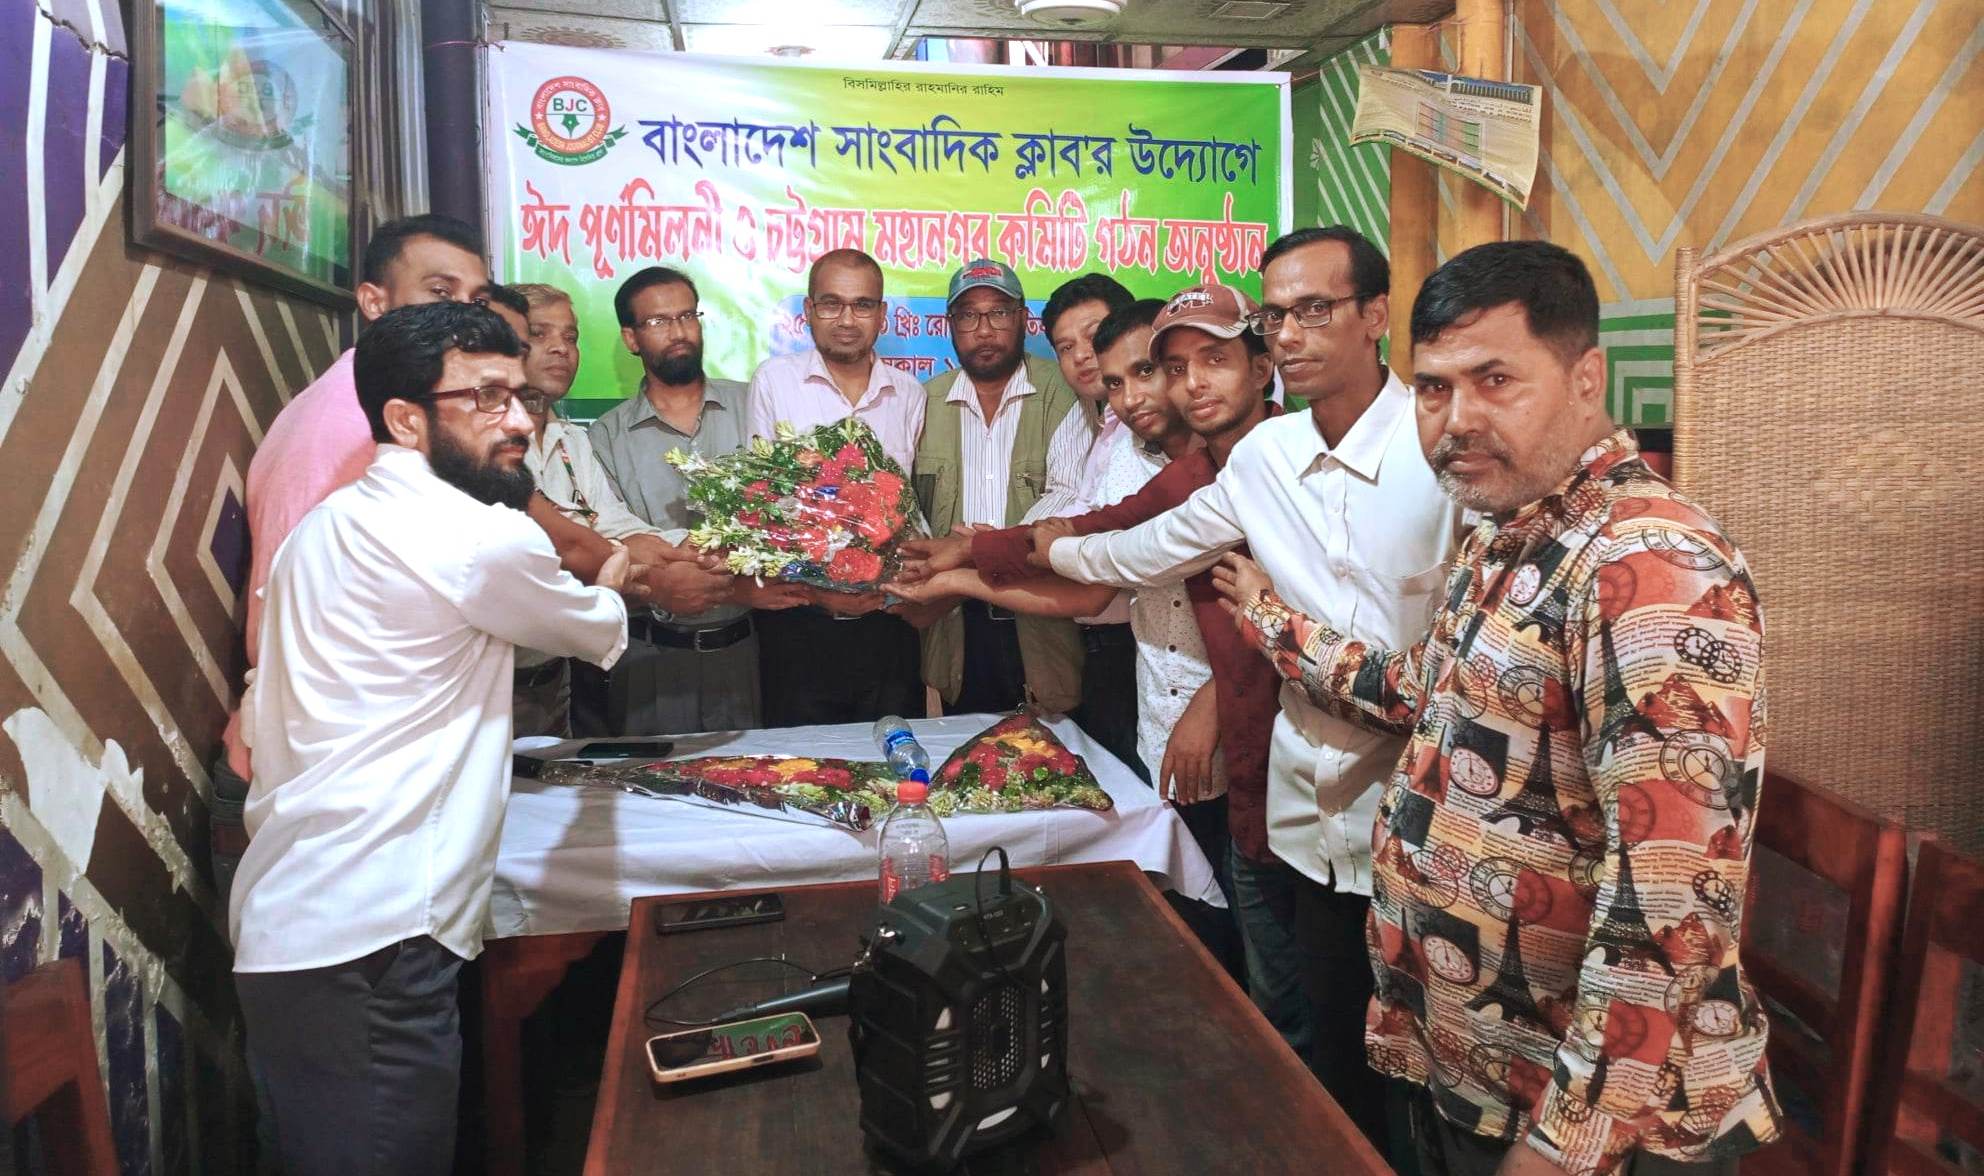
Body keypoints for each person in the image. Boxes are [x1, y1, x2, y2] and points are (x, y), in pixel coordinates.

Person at [1214, 241, 1782, 1176]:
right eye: (1435, 389)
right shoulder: (1508, 534)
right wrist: (1273, 622)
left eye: (1495, 381)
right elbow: (1419, 692)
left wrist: (1566, 1145)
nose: (1458, 421)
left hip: (1584, 1122)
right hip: (1480, 1067)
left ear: (1587, 377)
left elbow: (1671, 905)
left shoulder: (1647, 566)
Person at [1037, 227, 1466, 1145]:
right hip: (1304, 822)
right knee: (1326, 1055)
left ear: (1376, 315)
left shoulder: (1441, 451)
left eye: (1315, 309)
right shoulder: (1267, 456)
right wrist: (1047, 549)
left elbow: (1436, 682)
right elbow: (1145, 549)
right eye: (1278, 315)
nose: (1293, 333)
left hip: (1419, 827)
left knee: (1425, 1080)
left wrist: (1271, 620)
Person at [231, 302, 634, 1175]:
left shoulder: (322, 527)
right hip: (374, 939)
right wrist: (615, 576)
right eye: (484, 398)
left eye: (519, 396)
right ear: (405, 419)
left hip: (294, 924)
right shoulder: (479, 538)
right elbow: (594, 624)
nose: (519, 421)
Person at [213, 216, 633, 895]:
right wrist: (613, 582)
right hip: (332, 794)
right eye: (440, 292)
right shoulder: (364, 426)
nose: (466, 313)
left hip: (332, 790)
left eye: (476, 297)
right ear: (374, 302)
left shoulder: (393, 412)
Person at [895, 290, 1282, 983]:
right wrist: (968, 555)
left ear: (1261, 368)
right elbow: (1103, 527)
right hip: (1164, 702)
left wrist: (1211, 705)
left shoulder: (1279, 458)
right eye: (1118, 381)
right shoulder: (1183, 466)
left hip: (1255, 732)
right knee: (1209, 915)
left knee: (1266, 936)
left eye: (1152, 372)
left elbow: (1115, 564)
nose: (1136, 396)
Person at [589, 266, 778, 734]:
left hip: (749, 654)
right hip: (649, 658)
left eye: (687, 316)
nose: (678, 332)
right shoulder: (605, 437)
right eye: (658, 321)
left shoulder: (753, 404)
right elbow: (606, 546)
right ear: (631, 338)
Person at [744, 249, 926, 727]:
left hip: (888, 623)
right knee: (801, 759)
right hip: (800, 621)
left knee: (895, 753)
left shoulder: (909, 393)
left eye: (862, 305)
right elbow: (764, 505)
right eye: (831, 304)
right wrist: (821, 592)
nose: (847, 320)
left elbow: (909, 507)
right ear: (808, 311)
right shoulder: (775, 382)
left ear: (882, 315)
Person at [912, 259, 1086, 716]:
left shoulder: (1062, 391)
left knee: (1052, 745)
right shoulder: (924, 401)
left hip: (1043, 614)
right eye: (968, 315)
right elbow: (910, 509)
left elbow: (1069, 496)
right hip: (956, 620)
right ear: (950, 325)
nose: (984, 330)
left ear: (1024, 318)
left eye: (998, 313)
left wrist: (980, 549)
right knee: (966, 742)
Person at [1036, 274, 1143, 775]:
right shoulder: (1100, 426)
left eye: (1094, 335)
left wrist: (967, 568)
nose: (1082, 355)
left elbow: (1098, 574)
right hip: (1099, 651)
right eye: (1065, 347)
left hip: (1137, 650)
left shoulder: (1145, 432)